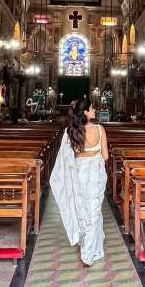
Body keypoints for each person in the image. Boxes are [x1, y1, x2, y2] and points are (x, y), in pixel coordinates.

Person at [50, 98, 109, 266]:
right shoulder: (100, 129)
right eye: (92, 108)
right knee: (94, 209)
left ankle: (87, 242)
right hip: (95, 175)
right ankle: (88, 254)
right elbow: (105, 156)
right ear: (85, 112)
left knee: (82, 209)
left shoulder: (71, 131)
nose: (94, 110)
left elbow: (68, 158)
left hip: (79, 176)